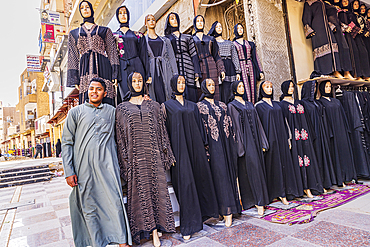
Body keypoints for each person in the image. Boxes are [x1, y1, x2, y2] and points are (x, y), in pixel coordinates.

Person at [62, 77, 132, 247]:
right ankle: (96, 242)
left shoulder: (111, 111)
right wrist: (69, 171)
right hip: (84, 169)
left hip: (108, 167)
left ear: (105, 93)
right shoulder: (75, 112)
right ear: (87, 91)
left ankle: (122, 240)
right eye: (92, 88)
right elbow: (67, 142)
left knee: (114, 202)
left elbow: (128, 119)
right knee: (90, 206)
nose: (94, 91)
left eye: (98, 89)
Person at [115, 72, 175, 246]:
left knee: (157, 192)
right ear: (129, 83)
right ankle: (148, 231)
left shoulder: (154, 106)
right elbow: (120, 138)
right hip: (135, 159)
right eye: (134, 81)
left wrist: (166, 154)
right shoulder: (122, 109)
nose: (137, 83)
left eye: (140, 80)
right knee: (142, 196)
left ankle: (157, 230)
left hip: (153, 156)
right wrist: (124, 163)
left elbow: (162, 132)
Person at [67, 1, 118, 106]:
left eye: (87, 7)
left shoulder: (105, 31)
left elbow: (112, 52)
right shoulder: (74, 33)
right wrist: (74, 78)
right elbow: (73, 57)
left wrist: (115, 73)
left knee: (105, 96)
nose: (85, 9)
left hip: (103, 67)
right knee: (87, 99)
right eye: (82, 8)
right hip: (85, 69)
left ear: (91, 9)